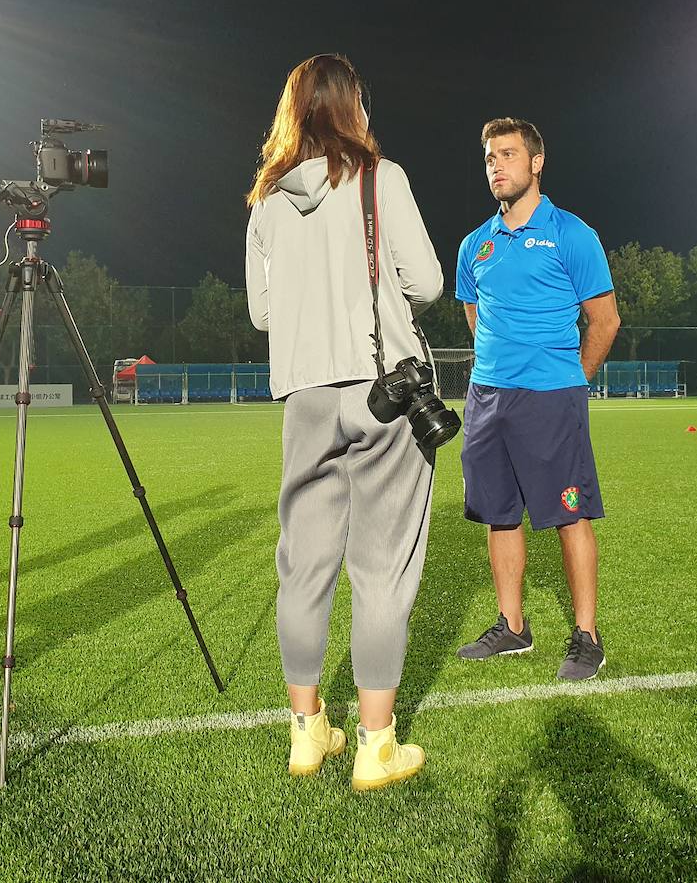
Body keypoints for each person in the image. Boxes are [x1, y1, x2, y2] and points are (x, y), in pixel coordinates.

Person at [245, 54, 442, 790]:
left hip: (303, 395)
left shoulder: (265, 201)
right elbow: (426, 281)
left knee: (304, 564)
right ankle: (375, 743)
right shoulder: (380, 179)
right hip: (380, 388)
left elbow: (262, 313)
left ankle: (306, 731)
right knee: (381, 569)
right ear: (353, 104)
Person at [454, 117, 620, 681]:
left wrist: (572, 376)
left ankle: (587, 635)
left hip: (553, 398)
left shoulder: (573, 235)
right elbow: (475, 316)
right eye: (488, 158)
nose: (495, 166)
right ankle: (512, 626)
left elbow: (605, 319)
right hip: (487, 397)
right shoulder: (474, 244)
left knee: (569, 514)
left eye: (506, 154)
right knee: (500, 515)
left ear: (536, 162)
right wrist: (499, 365)